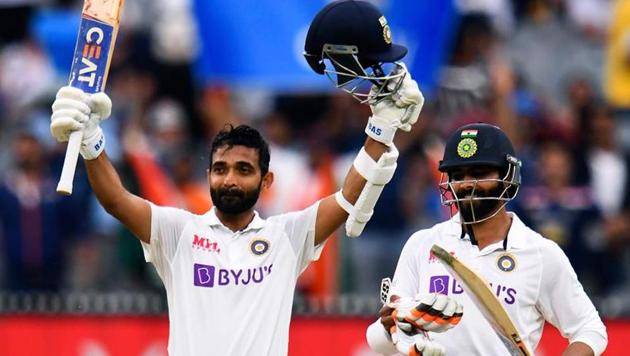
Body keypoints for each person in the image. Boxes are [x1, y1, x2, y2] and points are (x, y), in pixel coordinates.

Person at [49, 1, 425, 354]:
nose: (230, 179)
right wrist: (92, 140)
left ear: (266, 182)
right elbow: (116, 199)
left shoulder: (285, 238)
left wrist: (382, 127)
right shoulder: (179, 233)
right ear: (209, 174)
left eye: (244, 170)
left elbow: (347, 198)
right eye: (221, 169)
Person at [366, 123, 608, 355]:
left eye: (480, 173)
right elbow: (378, 341)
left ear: (508, 176)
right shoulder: (423, 244)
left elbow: (590, 329)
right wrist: (391, 326)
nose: (467, 184)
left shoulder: (539, 253)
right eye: (458, 175)